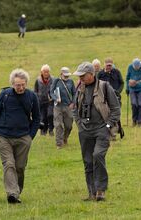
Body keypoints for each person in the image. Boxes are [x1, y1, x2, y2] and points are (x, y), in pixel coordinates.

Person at [0, 68, 40, 204]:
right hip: (4, 136)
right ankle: (12, 194)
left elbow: (37, 118)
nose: (20, 87)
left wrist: (30, 136)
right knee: (9, 164)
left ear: (26, 83)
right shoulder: (4, 95)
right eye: (17, 85)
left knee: (20, 167)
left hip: (23, 137)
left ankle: (17, 191)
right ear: (12, 84)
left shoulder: (32, 96)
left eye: (23, 84)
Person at [73, 62, 120, 201]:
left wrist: (108, 126)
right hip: (85, 130)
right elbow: (74, 108)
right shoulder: (79, 87)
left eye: (83, 75)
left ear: (91, 74)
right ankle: (92, 192)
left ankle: (101, 190)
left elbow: (116, 109)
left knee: (98, 155)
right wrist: (79, 124)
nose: (80, 78)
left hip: (101, 129)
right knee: (87, 161)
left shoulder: (104, 87)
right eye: (79, 75)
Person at [97, 57, 124, 140]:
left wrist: (118, 92)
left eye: (110, 65)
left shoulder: (117, 72)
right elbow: (97, 85)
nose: (109, 67)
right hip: (104, 99)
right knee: (106, 116)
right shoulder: (100, 74)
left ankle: (114, 133)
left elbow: (122, 83)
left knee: (115, 116)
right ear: (104, 64)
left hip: (116, 98)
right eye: (107, 65)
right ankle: (109, 133)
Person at [49, 67, 76, 149]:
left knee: (69, 126)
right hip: (58, 106)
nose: (67, 77)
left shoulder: (71, 82)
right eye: (65, 76)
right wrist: (55, 98)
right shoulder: (56, 81)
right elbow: (51, 92)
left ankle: (65, 138)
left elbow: (74, 93)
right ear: (61, 74)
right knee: (58, 125)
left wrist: (73, 103)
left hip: (68, 106)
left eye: (68, 76)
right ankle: (59, 143)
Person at [125, 58, 141, 127]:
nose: (136, 68)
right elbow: (127, 78)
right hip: (132, 89)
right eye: (135, 67)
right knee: (134, 104)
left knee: (140, 104)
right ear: (133, 65)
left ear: (140, 65)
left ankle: (140, 122)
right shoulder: (130, 67)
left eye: (138, 67)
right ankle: (134, 121)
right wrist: (127, 88)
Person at [34, 64, 54, 136]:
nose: (46, 73)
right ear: (41, 72)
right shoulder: (38, 80)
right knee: (43, 117)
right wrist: (36, 98)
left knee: (50, 115)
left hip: (50, 101)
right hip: (41, 102)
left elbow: (55, 89)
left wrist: (53, 96)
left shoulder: (53, 79)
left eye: (47, 72)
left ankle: (51, 129)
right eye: (45, 72)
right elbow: (35, 90)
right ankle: (43, 131)